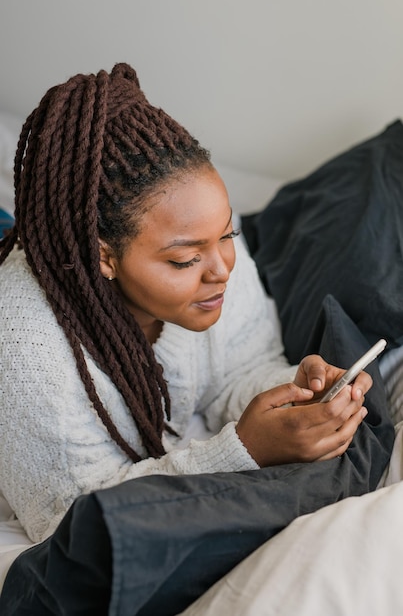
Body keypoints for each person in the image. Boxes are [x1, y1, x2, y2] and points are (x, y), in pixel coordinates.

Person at [0, 63, 387, 614]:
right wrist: (244, 451)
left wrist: (296, 389)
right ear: (102, 256)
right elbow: (68, 527)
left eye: (227, 234)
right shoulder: (24, 345)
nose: (223, 269)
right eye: (184, 259)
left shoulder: (211, 245)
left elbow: (241, 367)